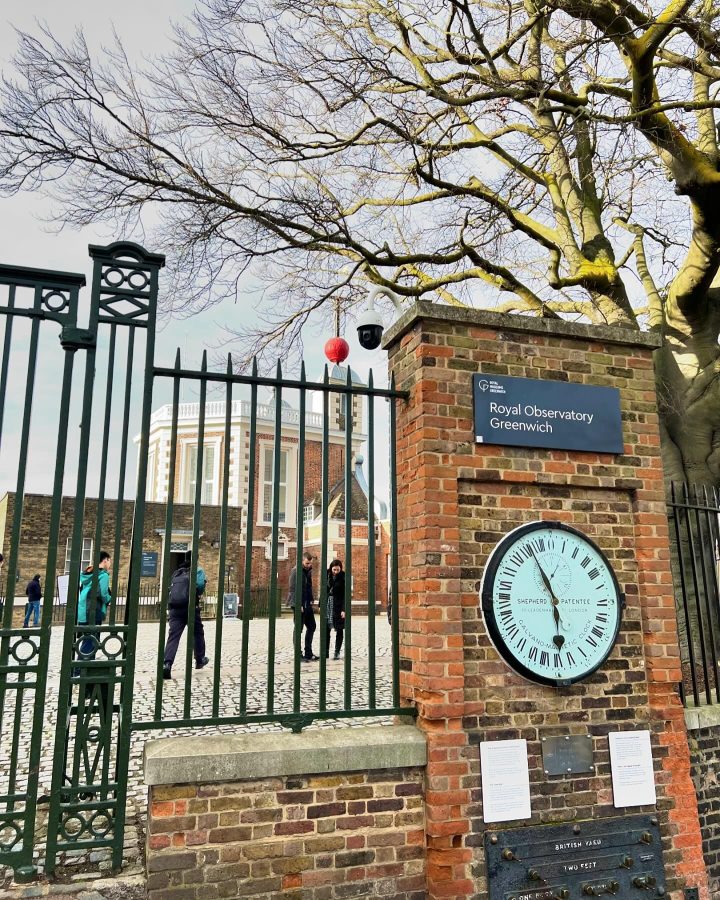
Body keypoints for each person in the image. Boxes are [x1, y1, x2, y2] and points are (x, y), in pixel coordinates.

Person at [163, 551, 209, 679]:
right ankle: (200, 659)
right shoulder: (198, 570)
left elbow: (170, 588)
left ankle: (167, 664)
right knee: (198, 632)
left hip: (175, 609)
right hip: (190, 607)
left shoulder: (177, 572)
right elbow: (199, 586)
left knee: (173, 637)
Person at [77, 551, 112, 660]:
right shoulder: (103, 575)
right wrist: (110, 599)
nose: (110, 564)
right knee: (91, 643)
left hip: (83, 611)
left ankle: (81, 670)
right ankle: (79, 671)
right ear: (105, 560)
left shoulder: (88, 574)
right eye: (109, 561)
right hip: (94, 610)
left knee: (87, 641)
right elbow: (103, 594)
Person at [288, 552, 318, 662]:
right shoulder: (296, 571)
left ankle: (308, 653)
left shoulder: (308, 571)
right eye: (307, 563)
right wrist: (298, 604)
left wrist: (311, 600)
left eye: (310, 563)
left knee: (312, 626)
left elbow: (309, 587)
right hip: (298, 604)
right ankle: (298, 654)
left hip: (307, 603)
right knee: (298, 628)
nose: (309, 565)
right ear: (302, 561)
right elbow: (292, 589)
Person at [325, 559, 346, 661]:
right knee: (326, 629)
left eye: (338, 570)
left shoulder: (344, 577)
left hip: (338, 605)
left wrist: (344, 609)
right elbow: (323, 590)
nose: (336, 572)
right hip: (328, 604)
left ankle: (337, 652)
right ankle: (325, 652)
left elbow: (345, 595)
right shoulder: (327, 575)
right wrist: (321, 605)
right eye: (334, 569)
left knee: (339, 629)